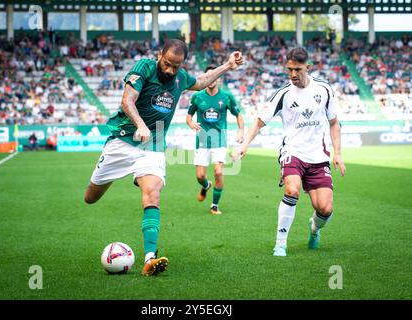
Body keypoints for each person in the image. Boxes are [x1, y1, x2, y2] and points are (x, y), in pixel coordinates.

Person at [84, 39, 244, 276]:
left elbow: (200, 82)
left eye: (176, 67)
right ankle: (125, 175)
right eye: (167, 64)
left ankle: (150, 258)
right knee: (91, 197)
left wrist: (227, 66)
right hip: (122, 141)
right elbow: (127, 100)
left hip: (153, 146)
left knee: (152, 194)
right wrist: (139, 124)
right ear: (160, 55)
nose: (170, 70)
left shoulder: (180, 78)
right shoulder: (145, 68)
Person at [234, 47, 346, 257]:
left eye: (298, 69)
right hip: (292, 151)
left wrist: (337, 153)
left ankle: (314, 229)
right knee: (292, 190)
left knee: (325, 209)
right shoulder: (283, 93)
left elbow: (334, 123)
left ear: (308, 67)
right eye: (289, 69)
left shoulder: (324, 90)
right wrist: (245, 144)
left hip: (318, 156)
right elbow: (258, 122)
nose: (293, 74)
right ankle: (280, 244)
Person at [186, 64, 244, 215]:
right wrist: (191, 123)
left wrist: (241, 131)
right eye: (208, 76)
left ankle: (214, 206)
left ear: (218, 78)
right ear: (205, 79)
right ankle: (206, 186)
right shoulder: (197, 96)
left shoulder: (226, 96)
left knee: (218, 172)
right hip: (202, 140)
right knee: (200, 176)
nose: (211, 79)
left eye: (214, 76)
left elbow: (238, 114)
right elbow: (189, 115)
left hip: (219, 139)